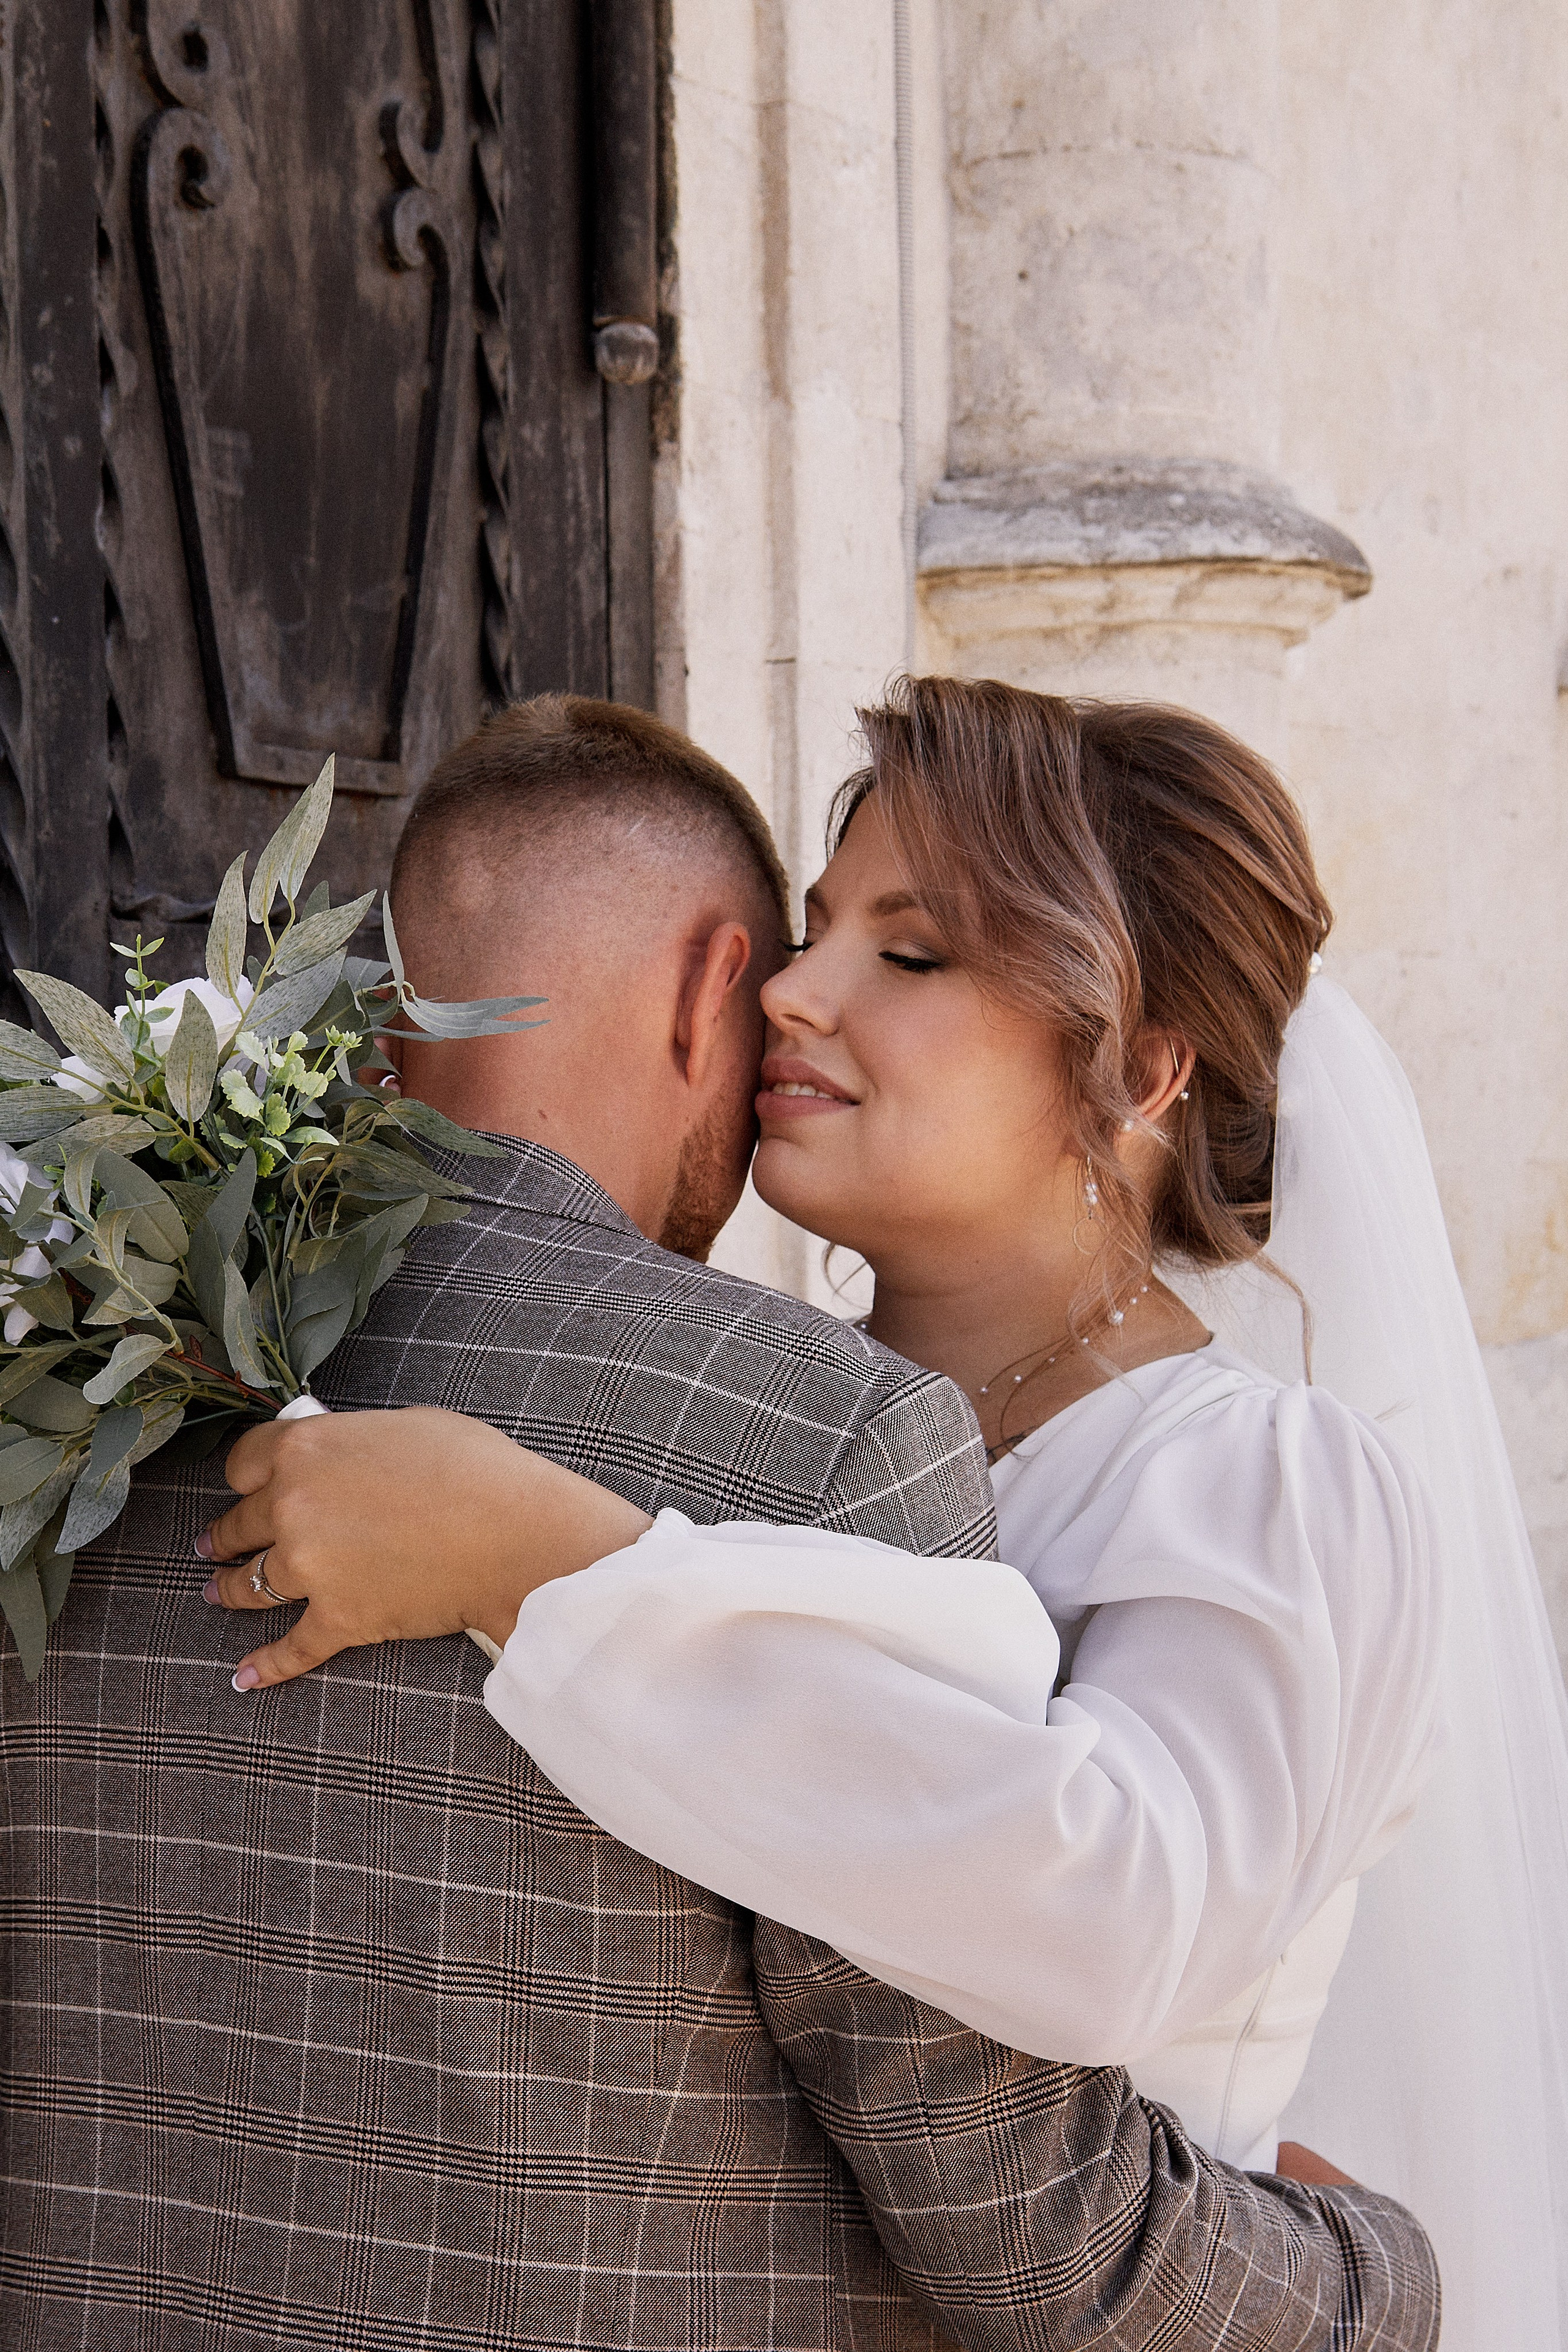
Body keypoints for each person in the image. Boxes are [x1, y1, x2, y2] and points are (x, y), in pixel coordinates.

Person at [0, 692, 1440, 2352]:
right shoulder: (784, 1414)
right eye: (815, 934)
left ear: (1147, 1066)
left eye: (910, 954)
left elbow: (1107, 1933)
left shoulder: (1258, 1481)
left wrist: (538, 1560)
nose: (792, 994)